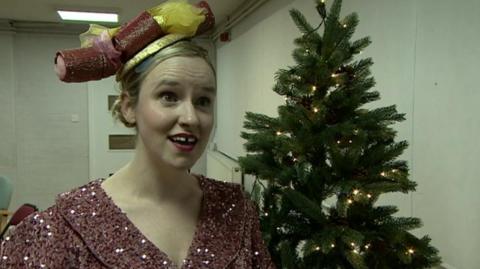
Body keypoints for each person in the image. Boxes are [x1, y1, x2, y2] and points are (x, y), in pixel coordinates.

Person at [0, 1, 275, 268]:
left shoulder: (236, 211)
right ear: (129, 107)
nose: (191, 118)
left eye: (203, 101)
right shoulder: (62, 229)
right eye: (169, 96)